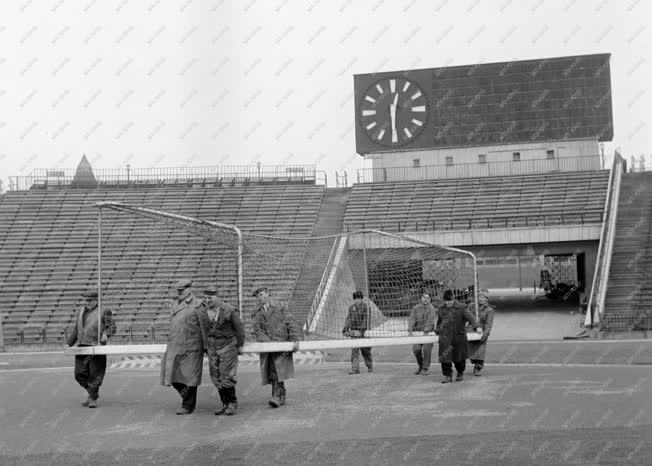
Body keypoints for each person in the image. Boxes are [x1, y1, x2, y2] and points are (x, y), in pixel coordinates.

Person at [160, 279, 205, 415]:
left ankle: (188, 405)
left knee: (190, 377)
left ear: (189, 290)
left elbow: (204, 327)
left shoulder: (198, 305)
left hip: (191, 346)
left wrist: (207, 346)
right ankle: (187, 399)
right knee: (171, 375)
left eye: (182, 290)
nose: (180, 293)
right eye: (178, 290)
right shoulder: (174, 304)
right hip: (174, 345)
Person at [251, 287, 300, 408]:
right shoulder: (256, 312)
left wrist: (295, 339)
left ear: (268, 294)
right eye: (258, 296)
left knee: (277, 369)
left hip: (281, 344)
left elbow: (290, 322)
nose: (260, 297)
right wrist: (268, 344)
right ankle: (280, 396)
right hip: (268, 346)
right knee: (273, 370)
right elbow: (257, 330)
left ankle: (277, 396)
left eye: (262, 294)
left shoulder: (280, 307)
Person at [66, 290, 116, 408]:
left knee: (95, 374)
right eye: (86, 300)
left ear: (96, 300)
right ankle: (92, 392)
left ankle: (92, 398)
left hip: (96, 347)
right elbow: (76, 329)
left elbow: (112, 327)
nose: (87, 302)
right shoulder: (81, 311)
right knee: (79, 373)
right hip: (82, 347)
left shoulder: (105, 311)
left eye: (90, 300)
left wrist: (106, 334)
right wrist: (68, 344)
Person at [200, 285, 245, 416]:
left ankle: (232, 403)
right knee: (215, 377)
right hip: (212, 347)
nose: (208, 300)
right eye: (206, 297)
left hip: (228, 345)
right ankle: (224, 403)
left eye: (210, 297)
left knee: (227, 375)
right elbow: (204, 331)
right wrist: (205, 347)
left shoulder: (229, 310)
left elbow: (239, 329)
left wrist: (240, 345)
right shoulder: (203, 311)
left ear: (217, 296)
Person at [435, 289, 482, 383]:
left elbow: (471, 318)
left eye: (450, 300)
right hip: (445, 338)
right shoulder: (441, 308)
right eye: (446, 300)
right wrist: (437, 330)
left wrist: (477, 327)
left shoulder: (462, 308)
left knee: (459, 359)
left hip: (458, 337)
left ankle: (460, 372)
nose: (447, 302)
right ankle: (447, 375)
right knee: (445, 358)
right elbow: (439, 321)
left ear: (453, 299)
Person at [342, 291, 373, 375]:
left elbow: (366, 320)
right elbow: (348, 319)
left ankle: (369, 365)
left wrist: (361, 331)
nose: (357, 301)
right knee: (354, 351)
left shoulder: (366, 307)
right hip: (354, 332)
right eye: (355, 299)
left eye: (358, 299)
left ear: (362, 299)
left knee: (365, 351)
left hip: (364, 332)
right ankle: (355, 369)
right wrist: (345, 328)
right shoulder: (351, 308)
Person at [467, 289, 495, 376]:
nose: (481, 299)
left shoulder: (490, 310)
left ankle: (478, 367)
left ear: (487, 299)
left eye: (483, 297)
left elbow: (488, 324)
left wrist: (485, 334)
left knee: (480, 350)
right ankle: (473, 361)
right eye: (479, 297)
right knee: (470, 349)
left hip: (482, 331)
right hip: (471, 330)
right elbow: (466, 316)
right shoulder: (472, 305)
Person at [408, 292, 437, 375]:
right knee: (416, 350)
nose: (425, 299)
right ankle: (420, 365)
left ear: (430, 299)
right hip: (418, 332)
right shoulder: (416, 308)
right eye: (424, 297)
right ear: (421, 298)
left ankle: (425, 368)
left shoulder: (432, 309)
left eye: (428, 298)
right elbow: (412, 319)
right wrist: (410, 330)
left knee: (426, 350)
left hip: (429, 333)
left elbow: (431, 322)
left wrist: (425, 331)